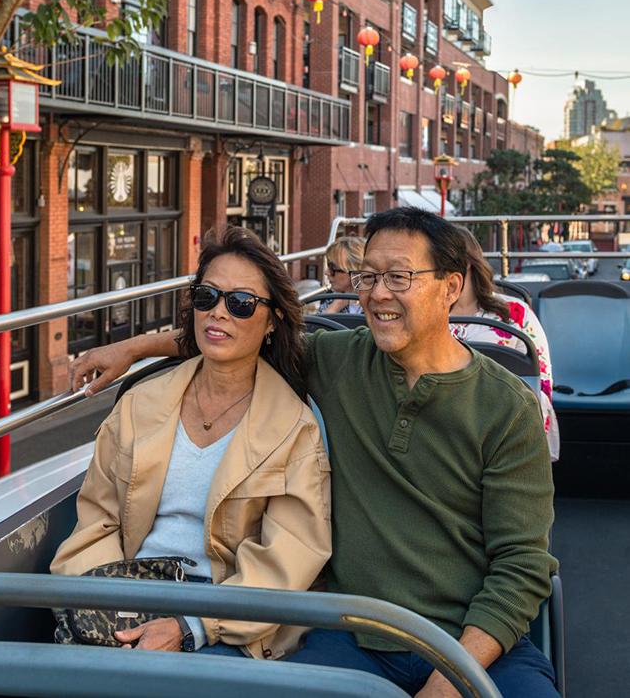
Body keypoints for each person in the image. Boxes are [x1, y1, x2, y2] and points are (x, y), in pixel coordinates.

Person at [71, 209, 557, 696]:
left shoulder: (507, 407)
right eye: (368, 276)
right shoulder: (340, 359)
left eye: (399, 277)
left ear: (452, 287)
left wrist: (451, 680)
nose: (377, 292)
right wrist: (133, 349)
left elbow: (522, 565)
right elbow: (233, 329)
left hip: (471, 643)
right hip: (354, 632)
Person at [52, 226, 331, 659]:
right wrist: (114, 608)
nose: (219, 313)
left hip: (225, 619)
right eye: (207, 297)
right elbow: (96, 521)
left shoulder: (295, 430)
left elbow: (286, 560)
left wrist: (191, 627)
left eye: (240, 303)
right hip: (129, 594)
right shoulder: (140, 405)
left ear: (273, 320)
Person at [450, 226, 560, 461]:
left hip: (505, 424)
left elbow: (541, 380)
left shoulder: (515, 314)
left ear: (468, 263)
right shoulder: (423, 316)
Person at [318, 236, 365, 315]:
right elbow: (316, 327)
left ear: (355, 271)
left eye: (333, 268)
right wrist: (335, 306)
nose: (327, 272)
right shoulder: (331, 299)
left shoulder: (376, 303)